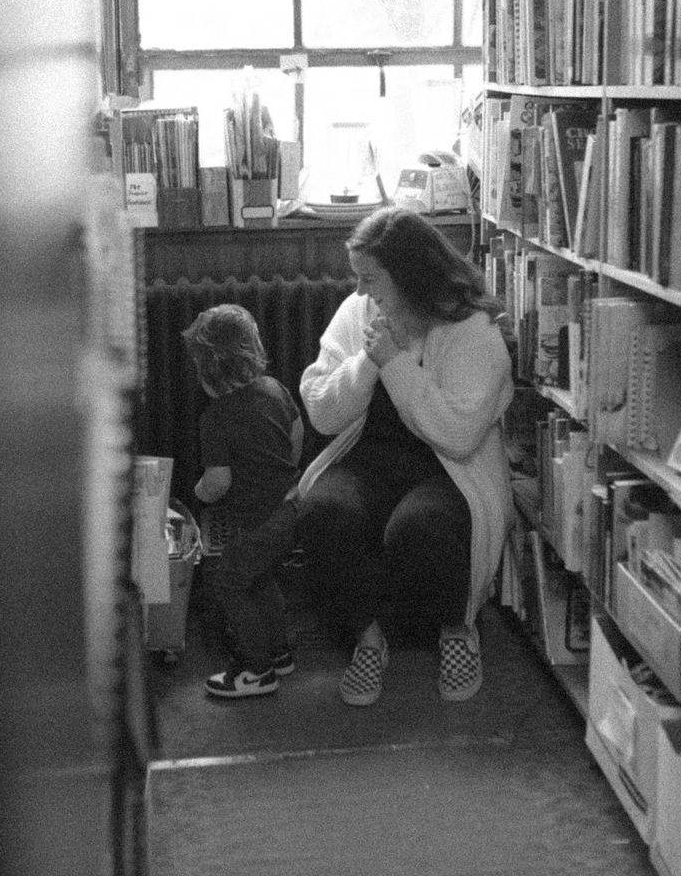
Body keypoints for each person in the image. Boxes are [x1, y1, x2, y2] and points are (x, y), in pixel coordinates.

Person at [294, 207, 513, 706]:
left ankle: (457, 630)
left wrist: (393, 362)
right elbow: (323, 412)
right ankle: (369, 637)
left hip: (449, 466)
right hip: (371, 453)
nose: (360, 292)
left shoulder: (471, 330)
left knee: (420, 528)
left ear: (410, 275)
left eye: (370, 279)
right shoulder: (360, 314)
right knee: (323, 512)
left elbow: (457, 436)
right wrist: (367, 362)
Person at [183, 304, 305, 699]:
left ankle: (257, 669)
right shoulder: (274, 389)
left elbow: (219, 482)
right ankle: (279, 651)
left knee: (230, 582)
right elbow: (297, 431)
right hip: (290, 506)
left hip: (259, 519)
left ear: (207, 370)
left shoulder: (215, 418)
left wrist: (196, 493)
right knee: (261, 578)